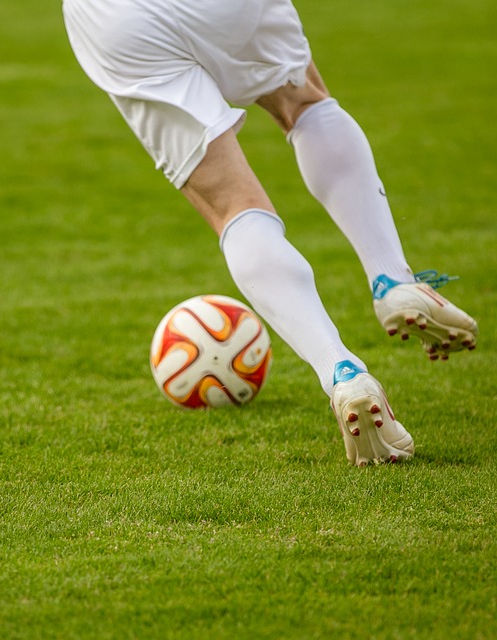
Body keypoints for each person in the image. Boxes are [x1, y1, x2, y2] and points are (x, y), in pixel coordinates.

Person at [63, 0, 479, 466]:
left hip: (117, 18)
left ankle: (340, 371)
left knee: (232, 205)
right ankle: (391, 279)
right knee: (302, 101)